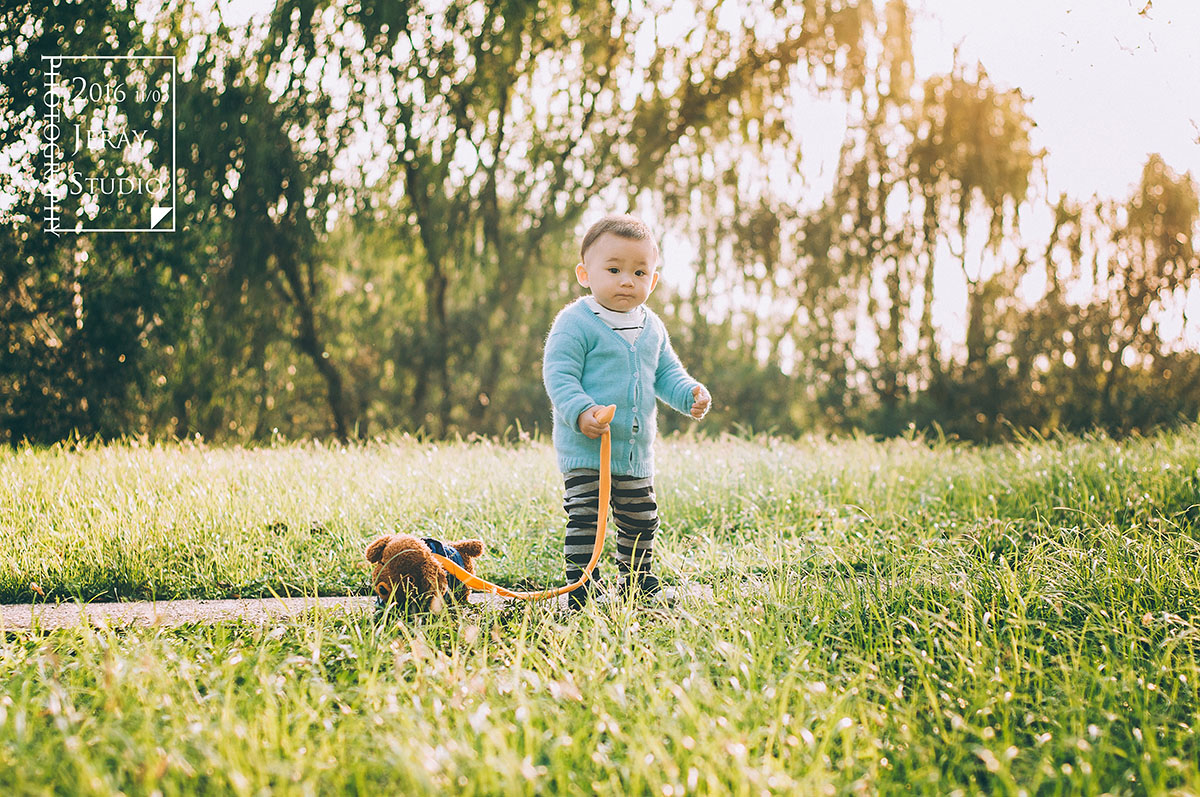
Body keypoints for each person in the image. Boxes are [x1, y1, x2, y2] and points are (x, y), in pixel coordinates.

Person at [542, 214, 711, 610]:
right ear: (585, 274)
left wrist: (689, 395)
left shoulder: (652, 328)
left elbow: (666, 373)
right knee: (587, 519)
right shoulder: (575, 323)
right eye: (614, 269)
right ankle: (581, 587)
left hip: (634, 455)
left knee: (640, 519)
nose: (626, 280)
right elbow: (559, 375)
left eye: (639, 272)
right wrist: (582, 412)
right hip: (588, 451)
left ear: (652, 281)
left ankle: (636, 582)